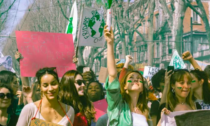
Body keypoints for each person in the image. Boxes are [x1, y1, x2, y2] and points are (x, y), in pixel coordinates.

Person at [104, 25, 149, 126]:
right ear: (124, 86)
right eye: (131, 78)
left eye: (139, 79)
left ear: (142, 88)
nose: (135, 80)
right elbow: (112, 74)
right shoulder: (117, 105)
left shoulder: (145, 110)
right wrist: (110, 43)